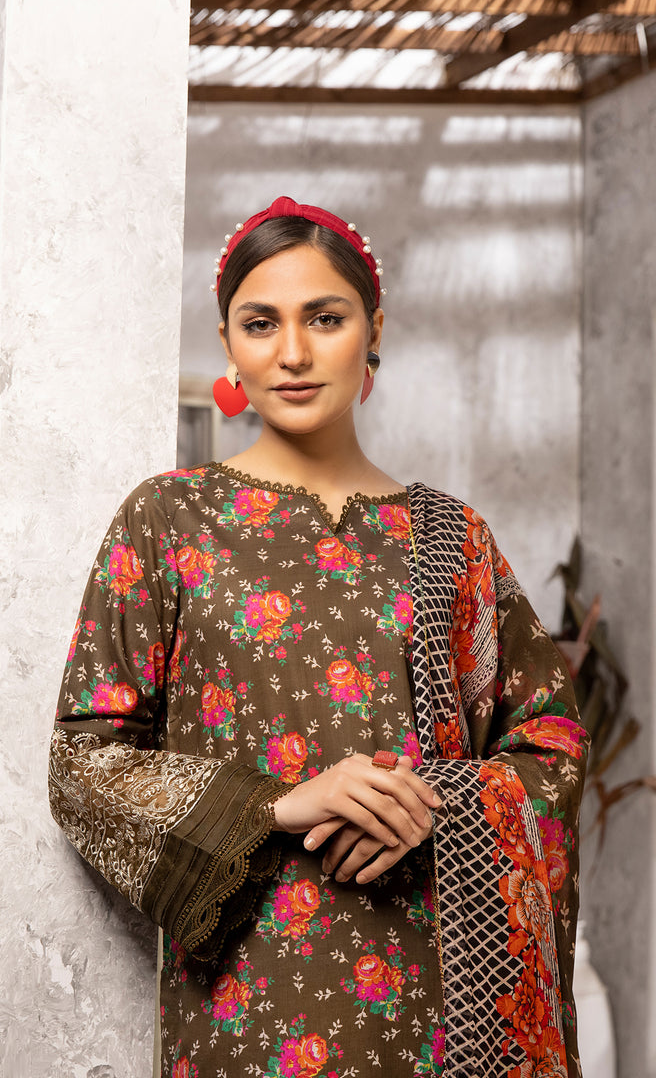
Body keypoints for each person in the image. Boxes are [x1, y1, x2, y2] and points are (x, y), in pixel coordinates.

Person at [49, 196, 588, 1078]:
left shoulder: (452, 538)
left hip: (443, 1009)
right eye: (260, 323)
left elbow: (550, 739)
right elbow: (83, 763)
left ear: (373, 332)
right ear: (228, 344)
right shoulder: (169, 519)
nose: (292, 352)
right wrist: (274, 805)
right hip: (243, 1008)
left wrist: (437, 804)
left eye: (325, 319)